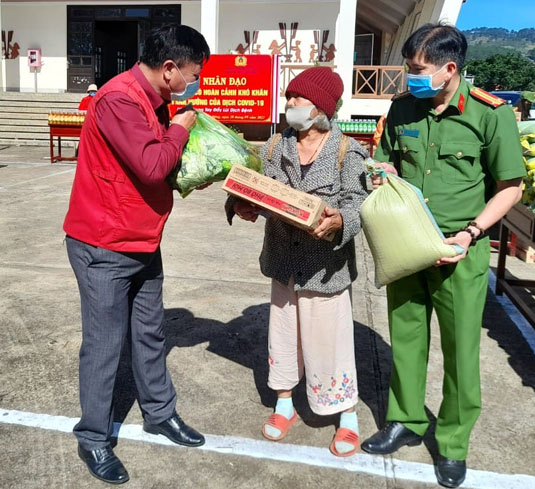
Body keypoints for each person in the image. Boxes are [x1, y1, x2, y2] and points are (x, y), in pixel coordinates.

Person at [360, 24, 525, 488]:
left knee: (460, 352)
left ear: (449, 69)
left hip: (461, 249)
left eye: (418, 70)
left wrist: (472, 234)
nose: (410, 77)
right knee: (406, 338)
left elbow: (510, 188)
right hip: (407, 244)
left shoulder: (491, 115)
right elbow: (387, 159)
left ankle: (453, 444)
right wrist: (382, 170)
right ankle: (406, 420)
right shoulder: (401, 109)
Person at [63, 25, 210, 485]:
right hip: (104, 244)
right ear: (169, 69)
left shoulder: (154, 98)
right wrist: (182, 130)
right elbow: (151, 165)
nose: (194, 82)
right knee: (105, 347)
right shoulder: (119, 100)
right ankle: (93, 437)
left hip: (142, 239)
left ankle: (159, 413)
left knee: (149, 333)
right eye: (192, 74)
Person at [231, 67, 368, 457]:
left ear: (322, 107)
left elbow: (359, 205)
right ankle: (285, 403)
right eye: (289, 97)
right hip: (283, 261)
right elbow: (260, 191)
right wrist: (242, 204)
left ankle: (346, 416)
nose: (290, 105)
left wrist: (340, 220)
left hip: (326, 268)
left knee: (330, 342)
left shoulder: (348, 152)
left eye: (299, 99)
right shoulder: (275, 147)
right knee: (284, 336)